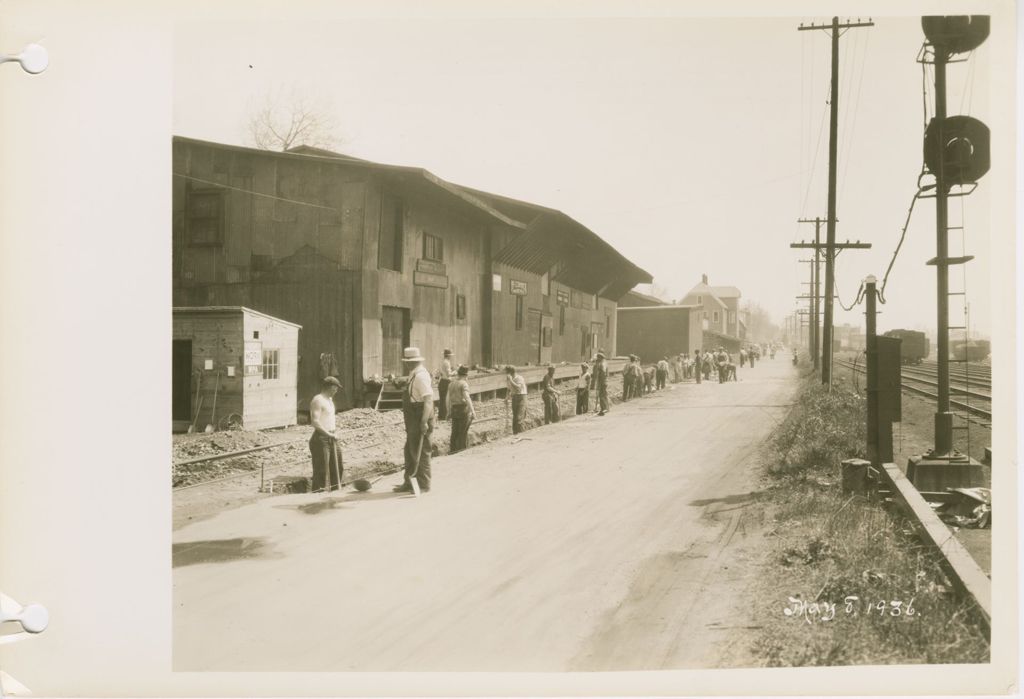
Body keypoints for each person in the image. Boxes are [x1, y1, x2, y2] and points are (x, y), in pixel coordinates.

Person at [394, 347, 434, 494]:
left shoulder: (421, 376)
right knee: (409, 450)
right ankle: (409, 481)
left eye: (407, 362)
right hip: (413, 415)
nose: (406, 364)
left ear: (411, 363)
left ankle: (424, 485)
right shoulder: (413, 374)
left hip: (421, 414)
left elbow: (428, 400)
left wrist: (424, 421)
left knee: (421, 451)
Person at [309, 376, 343, 493]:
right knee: (321, 470)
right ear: (329, 387)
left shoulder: (330, 400)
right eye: (335, 388)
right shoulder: (318, 400)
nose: (336, 391)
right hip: (321, 438)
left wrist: (333, 432)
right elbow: (315, 422)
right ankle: (317, 497)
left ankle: (335, 493)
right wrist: (328, 434)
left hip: (332, 437)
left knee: (338, 466)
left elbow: (328, 419)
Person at [447, 364, 474, 454]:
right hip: (463, 409)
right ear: (465, 375)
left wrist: (448, 411)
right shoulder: (463, 384)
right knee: (463, 431)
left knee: (454, 431)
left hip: (454, 409)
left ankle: (453, 450)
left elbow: (448, 399)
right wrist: (473, 411)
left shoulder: (451, 384)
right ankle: (462, 451)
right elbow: (467, 397)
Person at [504, 365, 528, 434]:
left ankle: (521, 434)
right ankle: (515, 434)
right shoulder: (509, 379)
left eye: (507, 372)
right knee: (514, 418)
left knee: (519, 418)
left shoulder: (519, 378)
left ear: (510, 372)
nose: (506, 374)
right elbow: (508, 389)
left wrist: (511, 380)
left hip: (521, 397)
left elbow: (518, 388)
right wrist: (506, 398)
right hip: (514, 397)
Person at [436, 349, 454, 421]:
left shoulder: (442, 362)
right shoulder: (447, 363)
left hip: (442, 381)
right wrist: (455, 372)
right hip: (446, 381)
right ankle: (446, 415)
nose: (451, 357)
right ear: (448, 356)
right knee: (447, 399)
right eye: (450, 356)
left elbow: (440, 373)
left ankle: (441, 416)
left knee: (442, 399)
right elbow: (449, 374)